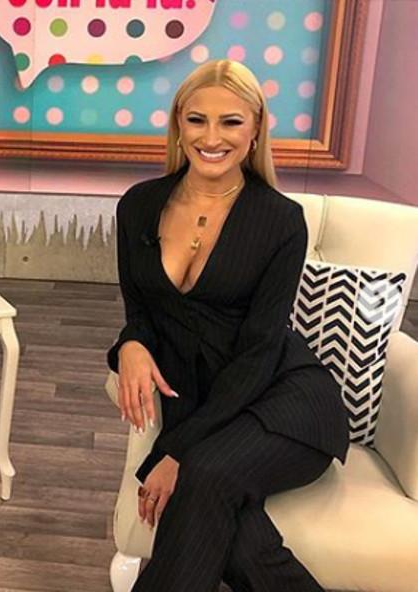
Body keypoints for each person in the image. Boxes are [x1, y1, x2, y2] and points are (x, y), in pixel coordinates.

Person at [108, 60, 348, 592]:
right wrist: (130, 346)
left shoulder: (281, 220)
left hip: (287, 404)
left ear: (256, 128)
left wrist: (176, 450)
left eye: (231, 122)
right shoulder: (138, 206)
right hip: (208, 407)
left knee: (199, 475)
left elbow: (260, 352)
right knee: (238, 542)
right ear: (178, 124)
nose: (211, 138)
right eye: (197, 120)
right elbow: (141, 312)